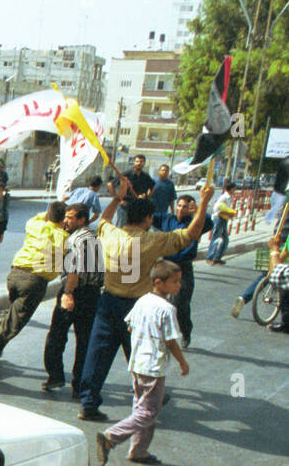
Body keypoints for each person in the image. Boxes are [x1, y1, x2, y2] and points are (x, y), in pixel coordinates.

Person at [77, 175, 214, 422]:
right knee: (144, 356)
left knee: (97, 356)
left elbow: (104, 220)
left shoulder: (110, 235)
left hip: (108, 301)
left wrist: (118, 196)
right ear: (149, 219)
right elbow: (192, 233)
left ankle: (88, 402)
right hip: (137, 307)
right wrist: (204, 202)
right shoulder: (153, 240)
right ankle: (150, 398)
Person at [94, 260, 188, 466]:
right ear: (159, 282)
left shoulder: (142, 300)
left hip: (137, 363)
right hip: (153, 367)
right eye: (175, 282)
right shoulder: (167, 309)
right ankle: (111, 437)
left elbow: (129, 326)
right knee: (149, 411)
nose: (178, 286)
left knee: (141, 408)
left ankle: (139, 450)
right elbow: (170, 340)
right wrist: (182, 362)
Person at [0, 202, 68, 373]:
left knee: (10, 316)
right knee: (13, 323)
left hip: (15, 274)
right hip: (33, 282)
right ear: (63, 219)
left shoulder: (35, 225)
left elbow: (39, 216)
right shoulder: (64, 238)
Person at [43, 201, 102, 396]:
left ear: (81, 220)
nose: (65, 221)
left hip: (74, 290)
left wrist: (68, 293)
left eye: (70, 218)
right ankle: (79, 384)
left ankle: (56, 376)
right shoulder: (93, 236)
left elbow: (74, 270)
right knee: (84, 340)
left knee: (56, 335)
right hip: (92, 294)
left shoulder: (77, 240)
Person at [153, 193, 212, 347]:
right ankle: (159, 334)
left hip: (183, 268)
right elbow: (147, 215)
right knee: (157, 301)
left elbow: (209, 222)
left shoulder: (195, 223)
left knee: (181, 304)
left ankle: (185, 331)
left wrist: (199, 209)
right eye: (179, 206)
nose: (181, 209)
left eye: (185, 207)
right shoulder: (167, 219)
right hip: (165, 265)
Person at [207, 181, 236, 265]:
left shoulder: (229, 197)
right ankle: (210, 257)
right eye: (234, 189)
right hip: (219, 219)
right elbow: (216, 208)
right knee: (215, 238)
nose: (234, 191)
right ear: (230, 189)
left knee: (225, 239)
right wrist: (227, 212)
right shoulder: (224, 197)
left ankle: (217, 257)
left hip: (224, 219)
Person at [263, 154, 289, 228]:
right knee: (279, 209)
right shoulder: (287, 163)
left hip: (279, 190)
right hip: (282, 191)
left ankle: (269, 219)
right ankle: (268, 219)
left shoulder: (284, 161)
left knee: (278, 209)